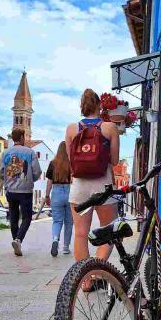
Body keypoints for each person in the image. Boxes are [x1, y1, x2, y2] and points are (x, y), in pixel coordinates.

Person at [66, 89, 119, 288]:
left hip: (79, 186)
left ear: (82, 107)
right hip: (102, 184)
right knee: (109, 231)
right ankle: (98, 273)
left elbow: (72, 162)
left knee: (80, 233)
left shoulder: (72, 129)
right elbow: (114, 161)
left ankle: (86, 281)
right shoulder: (110, 128)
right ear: (100, 106)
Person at [0, 127, 41, 256]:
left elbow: (0, 172)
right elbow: (37, 171)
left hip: (10, 190)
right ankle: (18, 240)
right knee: (27, 217)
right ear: (22, 138)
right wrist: (30, 179)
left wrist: (7, 180)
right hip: (25, 191)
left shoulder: (5, 153)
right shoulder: (30, 153)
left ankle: (15, 241)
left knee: (14, 217)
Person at [45, 141, 73, 257]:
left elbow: (49, 182)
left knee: (57, 221)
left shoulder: (53, 163)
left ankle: (55, 240)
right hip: (69, 192)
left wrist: (47, 195)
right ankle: (66, 248)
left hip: (56, 193)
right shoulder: (71, 164)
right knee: (69, 222)